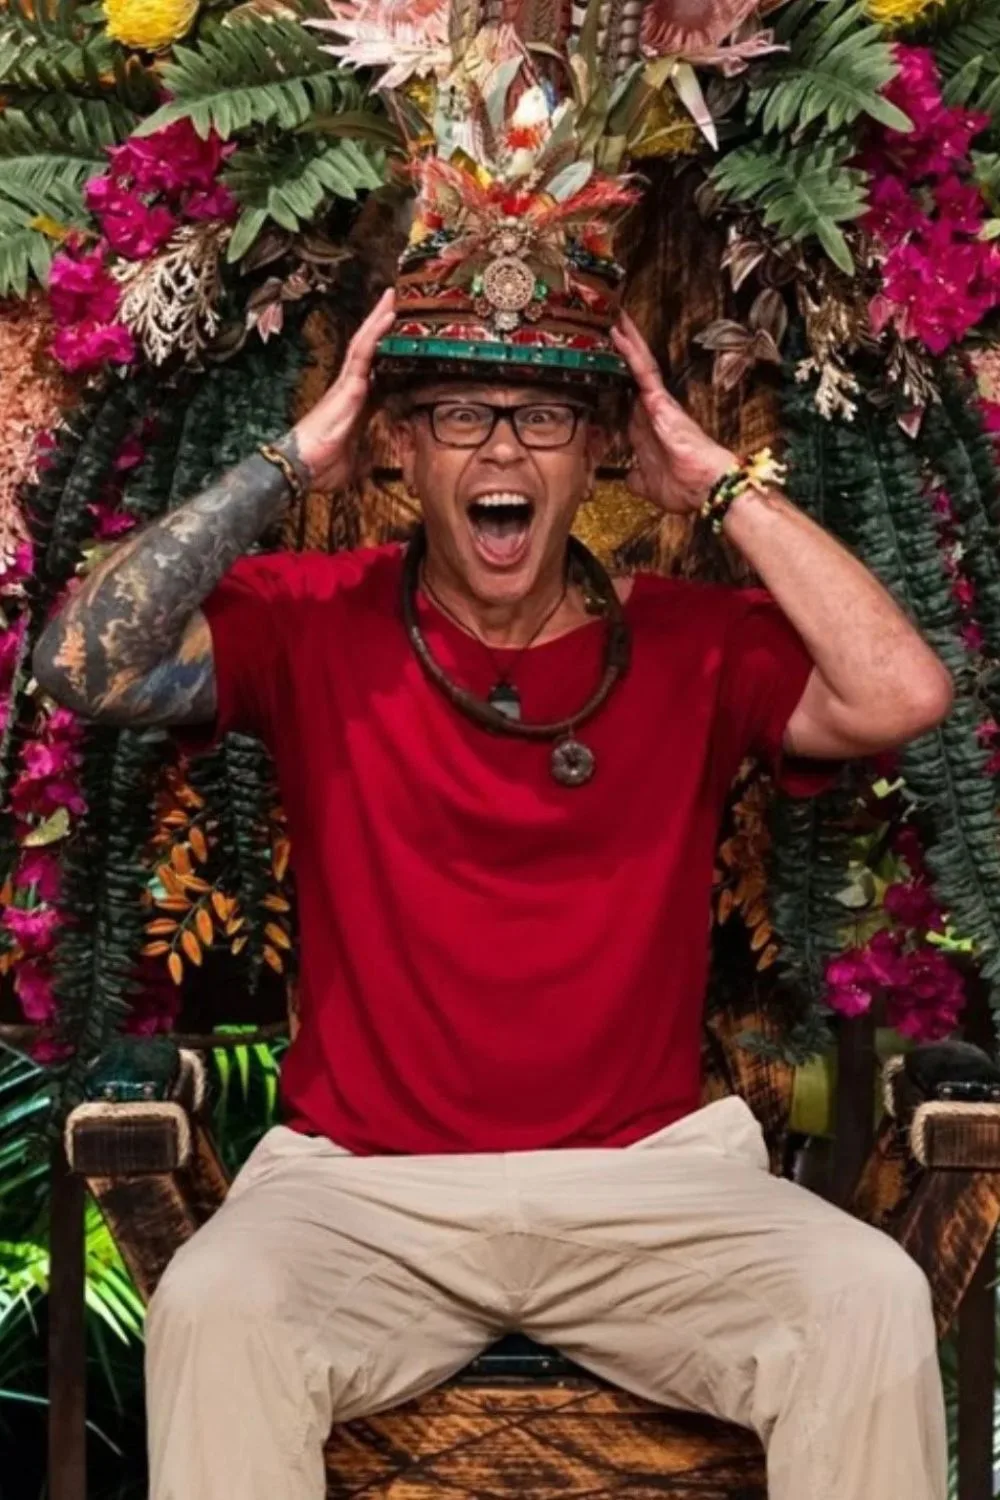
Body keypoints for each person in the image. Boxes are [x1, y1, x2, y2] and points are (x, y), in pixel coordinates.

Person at [31, 26, 953, 1500]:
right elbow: (81, 664)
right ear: (403, 449)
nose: (501, 451)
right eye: (460, 415)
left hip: (649, 1184)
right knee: (218, 1306)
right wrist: (292, 457)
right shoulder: (308, 623)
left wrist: (718, 478)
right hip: (364, 1192)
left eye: (543, 418)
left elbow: (904, 691)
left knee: (868, 1302)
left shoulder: (695, 642)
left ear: (596, 456)